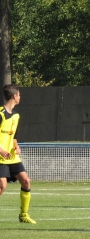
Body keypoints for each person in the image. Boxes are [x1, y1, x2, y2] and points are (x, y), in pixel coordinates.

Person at [0, 84, 36, 224]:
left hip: (12, 157)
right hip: (1, 157)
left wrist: (16, 146)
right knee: (2, 186)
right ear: (14, 96)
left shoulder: (16, 116)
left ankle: (23, 215)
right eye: (19, 95)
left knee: (26, 181)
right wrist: (2, 150)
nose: (20, 97)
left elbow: (14, 136)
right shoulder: (0, 114)